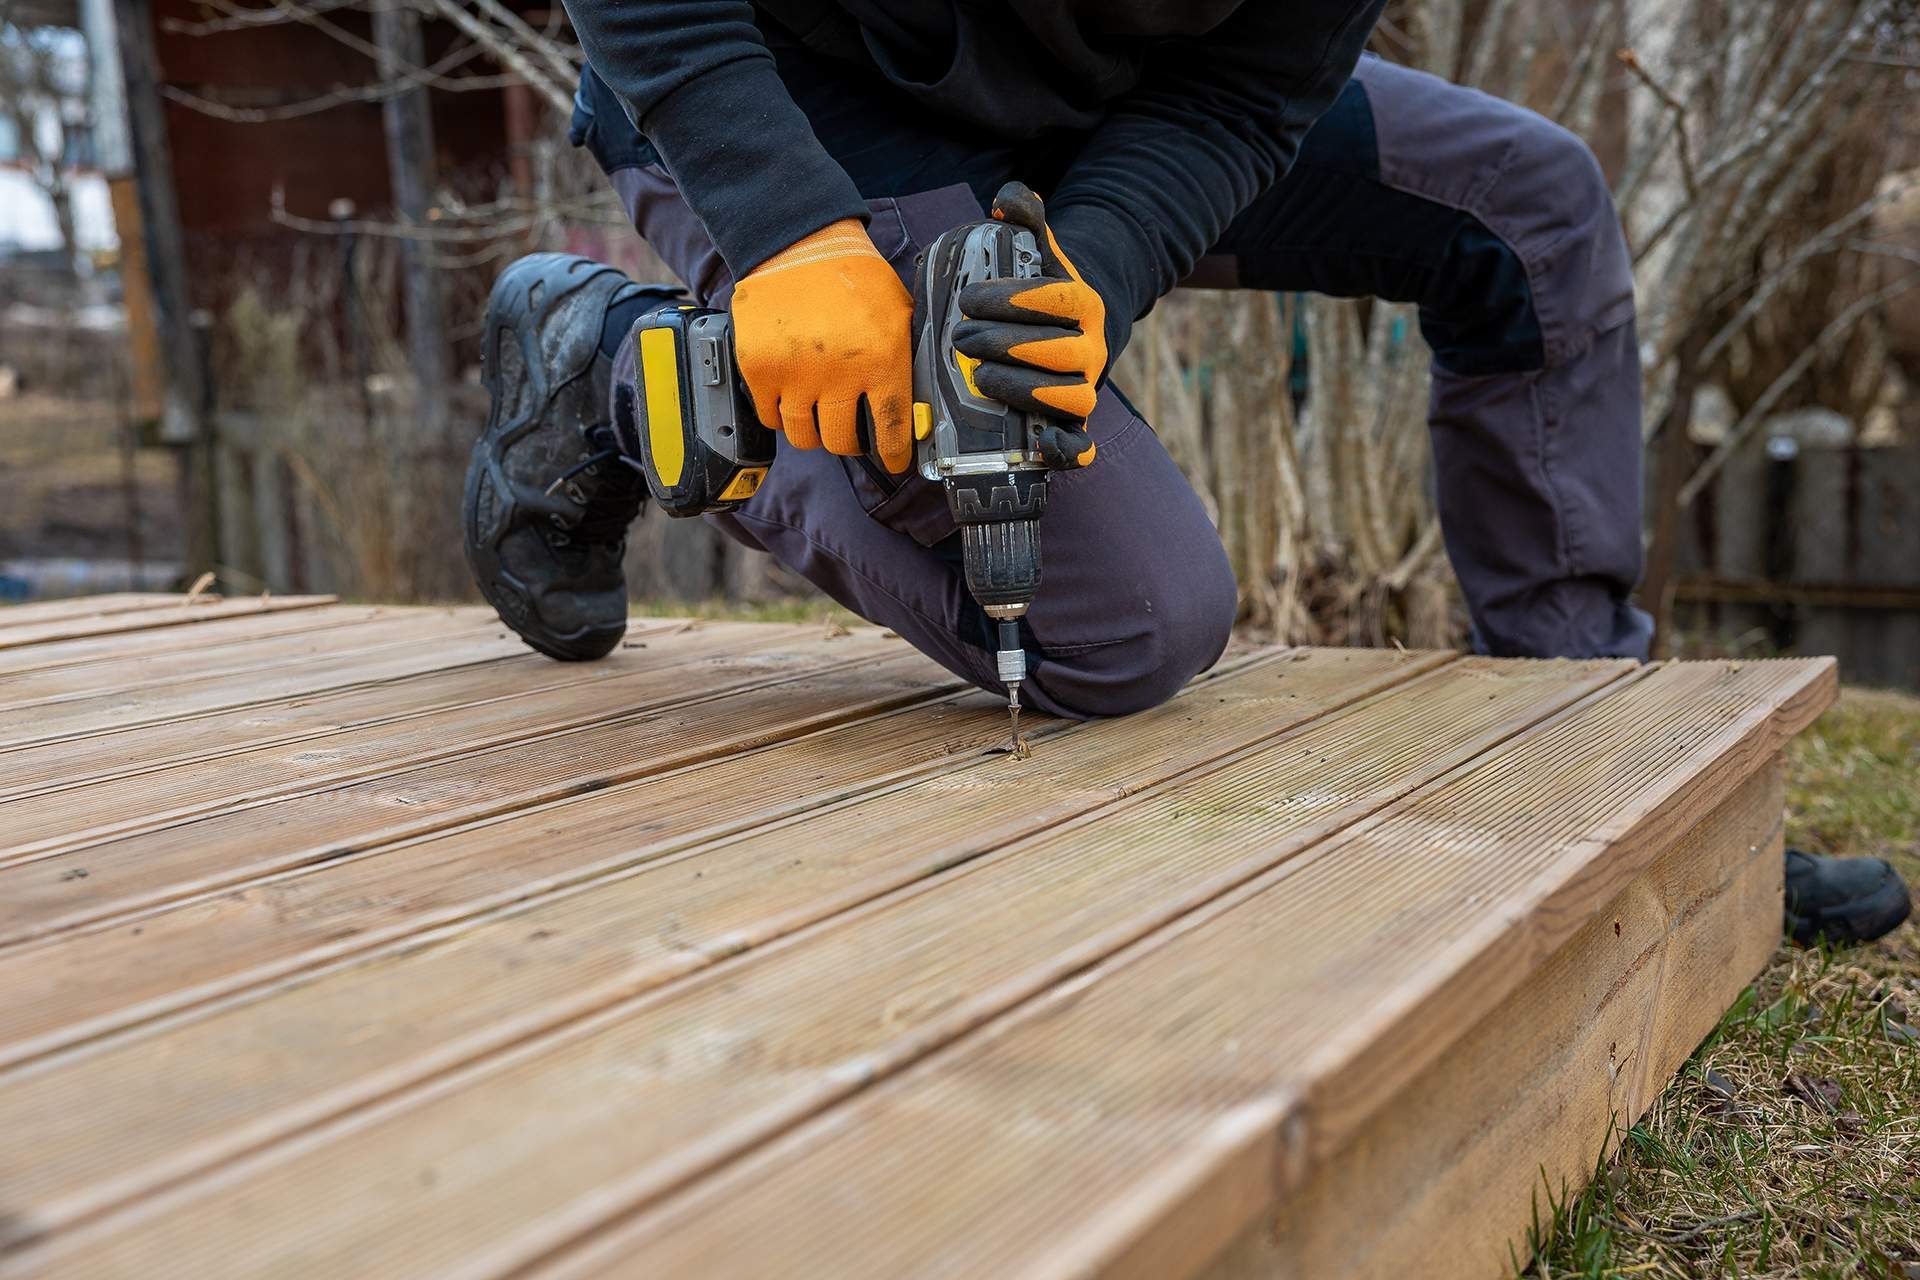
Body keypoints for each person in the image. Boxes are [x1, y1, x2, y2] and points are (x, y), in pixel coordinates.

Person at [460, 1, 1911, 946]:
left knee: (1525, 204)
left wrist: (1093, 270)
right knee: (1123, 622)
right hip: (786, 91)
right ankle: (614, 371)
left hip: (1109, 105)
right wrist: (793, 233)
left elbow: (1243, 90)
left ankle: (1603, 774)